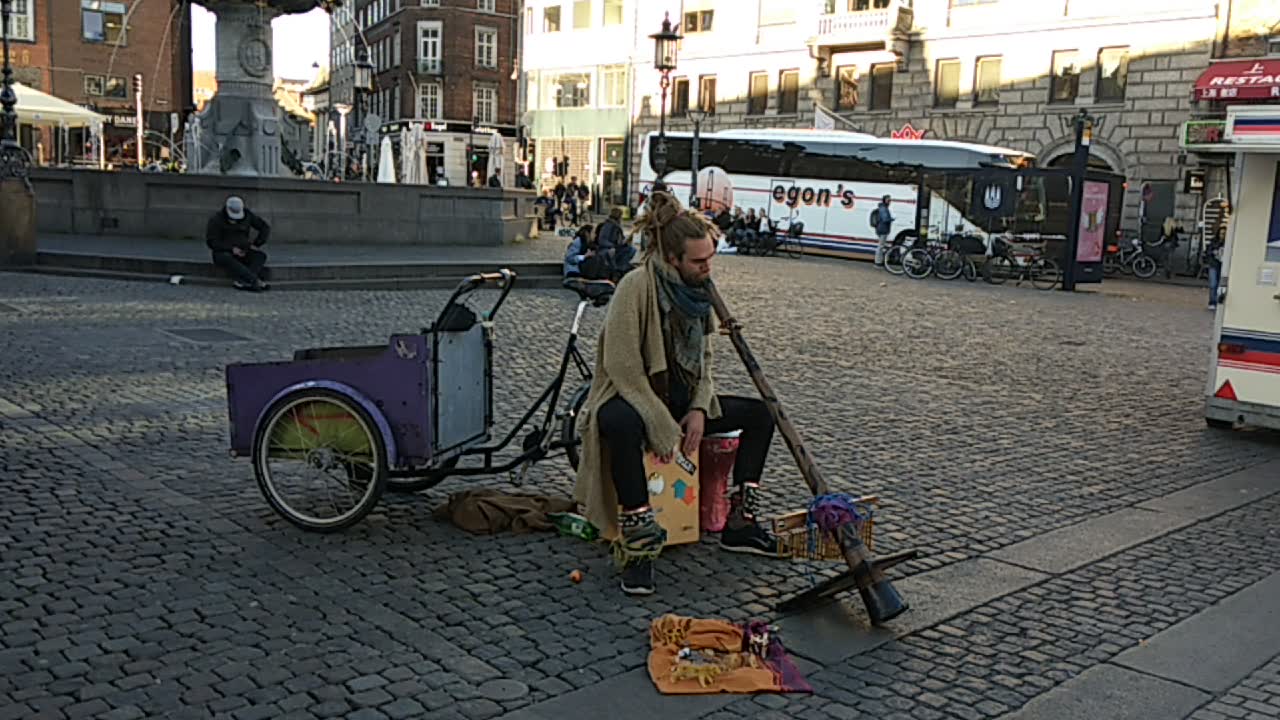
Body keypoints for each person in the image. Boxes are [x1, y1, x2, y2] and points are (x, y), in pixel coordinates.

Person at [573, 191, 783, 596]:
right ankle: (638, 547)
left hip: (683, 399)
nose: (707, 269)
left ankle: (739, 524)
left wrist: (701, 409)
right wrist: (660, 422)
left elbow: (705, 363)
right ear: (672, 258)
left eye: (710, 260)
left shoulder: (700, 295)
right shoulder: (635, 287)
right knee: (615, 420)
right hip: (638, 397)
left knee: (760, 414)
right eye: (698, 262)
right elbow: (622, 365)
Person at [206, 196, 270, 291]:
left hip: (243, 248)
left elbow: (264, 227)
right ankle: (254, 280)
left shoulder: (247, 215)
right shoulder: (216, 219)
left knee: (260, 256)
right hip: (224, 251)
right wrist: (231, 249)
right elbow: (212, 242)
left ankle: (243, 281)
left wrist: (256, 244)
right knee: (225, 258)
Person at [595, 206, 636, 280]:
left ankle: (623, 268)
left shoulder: (617, 227)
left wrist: (626, 241)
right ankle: (616, 271)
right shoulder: (608, 225)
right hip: (606, 248)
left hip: (616, 247)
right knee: (611, 253)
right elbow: (602, 240)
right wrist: (612, 246)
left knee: (631, 250)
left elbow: (620, 240)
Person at [872, 195, 895, 266]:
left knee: (881, 245)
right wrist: (891, 219)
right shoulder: (883, 208)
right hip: (883, 229)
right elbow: (885, 219)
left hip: (880, 228)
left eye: (890, 200)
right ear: (884, 200)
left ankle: (880, 260)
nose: (889, 202)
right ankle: (878, 262)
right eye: (888, 200)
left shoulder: (882, 207)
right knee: (881, 246)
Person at [1206, 231, 1224, 310]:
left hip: (1222, 266)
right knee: (1213, 284)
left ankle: (1217, 301)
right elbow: (1208, 251)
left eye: (1223, 234)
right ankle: (1212, 302)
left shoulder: (1227, 242)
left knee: (1219, 284)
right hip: (1213, 264)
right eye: (1221, 233)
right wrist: (1213, 252)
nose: (1222, 235)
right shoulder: (1213, 241)